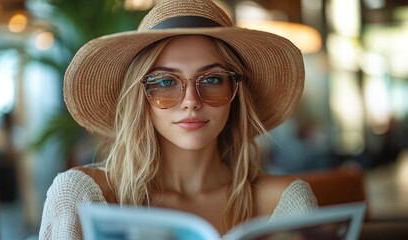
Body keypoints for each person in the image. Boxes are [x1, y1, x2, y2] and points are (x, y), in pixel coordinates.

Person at [39, 0, 317, 239]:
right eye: (164, 82)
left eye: (212, 79)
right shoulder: (80, 196)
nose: (191, 101)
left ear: (236, 92)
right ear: (140, 97)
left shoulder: (283, 202)